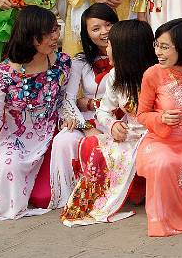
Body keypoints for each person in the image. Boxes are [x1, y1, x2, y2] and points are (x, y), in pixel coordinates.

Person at [0, 6, 74, 220]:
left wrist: (70, 117)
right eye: (47, 34)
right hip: (16, 138)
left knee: (45, 197)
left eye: (55, 30)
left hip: (52, 136)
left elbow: (67, 101)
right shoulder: (4, 73)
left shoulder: (63, 63)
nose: (54, 37)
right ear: (30, 38)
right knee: (5, 169)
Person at [61, 20, 158, 227]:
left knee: (144, 153)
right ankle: (132, 191)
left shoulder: (157, 76)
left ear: (126, 50)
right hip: (128, 133)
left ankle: (142, 190)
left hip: (154, 135)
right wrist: (113, 125)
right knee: (91, 144)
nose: (107, 49)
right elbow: (103, 110)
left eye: (111, 45)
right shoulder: (116, 76)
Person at [134, 18, 182, 236]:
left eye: (165, 47)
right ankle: (162, 219)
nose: (158, 52)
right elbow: (141, 114)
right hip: (161, 140)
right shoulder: (152, 74)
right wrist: (161, 119)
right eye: (157, 45)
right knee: (164, 162)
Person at [49, 3, 117, 209]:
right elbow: (68, 98)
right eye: (96, 29)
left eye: (108, 25)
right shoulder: (79, 62)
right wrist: (85, 126)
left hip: (118, 118)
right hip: (87, 119)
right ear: (87, 34)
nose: (104, 32)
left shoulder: (129, 55)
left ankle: (110, 192)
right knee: (63, 140)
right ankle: (68, 195)